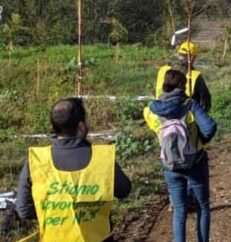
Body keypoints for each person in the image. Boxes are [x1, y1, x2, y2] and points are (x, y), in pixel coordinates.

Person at [16, 98, 132, 242]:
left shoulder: (37, 160)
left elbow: (23, 210)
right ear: (81, 127)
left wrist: (57, 213)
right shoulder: (102, 158)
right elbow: (124, 190)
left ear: (53, 127)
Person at [144, 69, 217, 242]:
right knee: (202, 207)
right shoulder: (190, 105)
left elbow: (157, 129)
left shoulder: (150, 110)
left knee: (179, 210)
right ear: (183, 86)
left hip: (170, 165)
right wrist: (200, 140)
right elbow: (210, 127)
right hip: (195, 162)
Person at [156, 41, 211, 111]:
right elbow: (205, 101)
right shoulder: (194, 75)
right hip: (186, 118)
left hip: (160, 115)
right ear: (191, 58)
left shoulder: (163, 70)